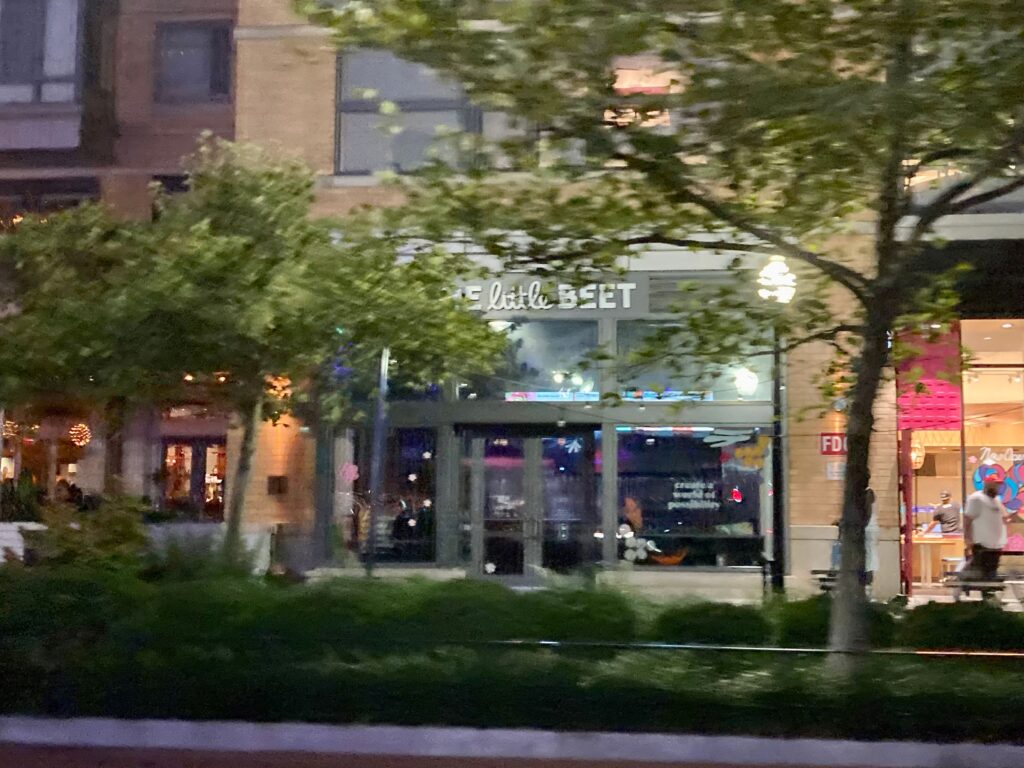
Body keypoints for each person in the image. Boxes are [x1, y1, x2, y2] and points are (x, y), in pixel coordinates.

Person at [964, 478, 1011, 581]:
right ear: (987, 484)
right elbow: (968, 519)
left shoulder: (996, 500)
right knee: (981, 571)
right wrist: (967, 538)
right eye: (995, 485)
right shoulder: (976, 498)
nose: (997, 488)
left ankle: (988, 595)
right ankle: (962, 583)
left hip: (996, 543)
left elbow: (1005, 515)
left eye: (998, 485)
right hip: (982, 542)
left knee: (991, 571)